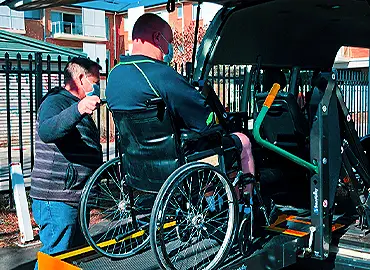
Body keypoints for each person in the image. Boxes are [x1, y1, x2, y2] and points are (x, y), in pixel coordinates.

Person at [106, 13, 255, 212]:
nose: (170, 49)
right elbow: (203, 120)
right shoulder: (162, 74)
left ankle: (210, 202)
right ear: (158, 38)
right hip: (175, 159)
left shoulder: (114, 75)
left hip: (137, 163)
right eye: (169, 42)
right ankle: (245, 205)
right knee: (241, 141)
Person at [30, 57, 103, 269]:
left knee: (72, 257)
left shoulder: (70, 104)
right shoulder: (55, 101)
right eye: (94, 81)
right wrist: (79, 109)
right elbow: (47, 131)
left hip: (74, 196)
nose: (96, 86)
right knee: (55, 258)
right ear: (80, 79)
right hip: (57, 197)